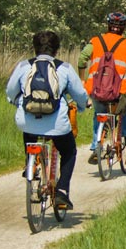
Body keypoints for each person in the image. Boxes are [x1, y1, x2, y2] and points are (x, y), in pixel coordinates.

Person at [6, 31, 87, 211]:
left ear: (34, 48)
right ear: (57, 49)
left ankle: (31, 165)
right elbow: (80, 94)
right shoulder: (64, 68)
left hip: (27, 120)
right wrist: (82, 106)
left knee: (30, 132)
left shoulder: (23, 66)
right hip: (57, 123)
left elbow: (11, 91)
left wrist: (15, 101)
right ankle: (62, 191)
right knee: (69, 151)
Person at [77, 12, 126, 164]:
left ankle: (97, 144)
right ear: (123, 28)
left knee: (99, 112)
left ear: (108, 25)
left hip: (96, 89)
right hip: (119, 91)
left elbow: (82, 58)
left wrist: (82, 79)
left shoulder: (95, 41)